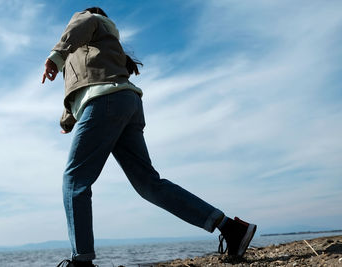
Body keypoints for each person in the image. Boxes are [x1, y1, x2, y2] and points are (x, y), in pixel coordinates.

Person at [42, 7, 257, 267]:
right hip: (124, 103)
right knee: (149, 185)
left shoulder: (88, 20)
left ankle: (82, 261)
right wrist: (67, 120)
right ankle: (230, 228)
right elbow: (79, 86)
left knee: (74, 180)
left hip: (105, 102)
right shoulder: (98, 49)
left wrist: (55, 56)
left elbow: (82, 28)